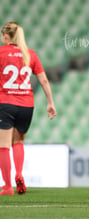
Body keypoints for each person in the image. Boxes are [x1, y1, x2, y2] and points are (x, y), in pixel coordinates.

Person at [0, 22, 56, 195]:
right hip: (26, 105)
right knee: (18, 142)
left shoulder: (1, 53)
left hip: (6, 102)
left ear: (6, 36)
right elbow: (44, 80)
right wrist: (50, 103)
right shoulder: (30, 54)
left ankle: (8, 186)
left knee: (3, 146)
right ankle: (18, 173)